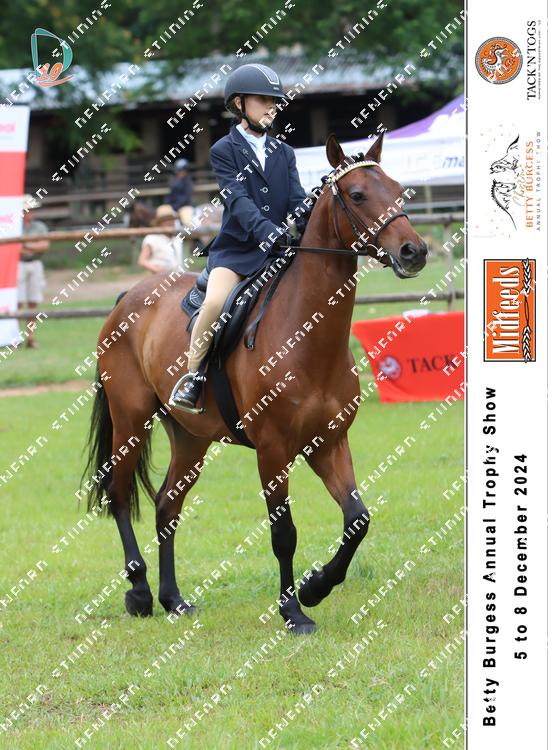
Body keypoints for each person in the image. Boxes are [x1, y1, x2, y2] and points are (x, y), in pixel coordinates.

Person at [170, 62, 310, 412]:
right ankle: (193, 377)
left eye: (274, 101)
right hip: (236, 253)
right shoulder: (224, 150)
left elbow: (295, 199)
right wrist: (267, 231)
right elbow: (238, 200)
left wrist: (309, 215)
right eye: (263, 100)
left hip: (277, 251)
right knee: (215, 303)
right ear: (239, 104)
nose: (271, 107)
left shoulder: (284, 153)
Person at [17, 194, 49, 348]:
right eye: (27, 210)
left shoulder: (39, 226)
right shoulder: (14, 226)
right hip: (19, 265)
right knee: (17, 303)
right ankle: (16, 337)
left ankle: (30, 336)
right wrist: (33, 246)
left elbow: (44, 246)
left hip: (35, 264)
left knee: (33, 302)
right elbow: (15, 249)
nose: (30, 212)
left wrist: (25, 246)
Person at [137, 204, 183, 273]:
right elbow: (142, 261)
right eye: (165, 220)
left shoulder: (177, 239)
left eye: (171, 219)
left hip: (177, 275)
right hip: (159, 277)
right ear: (159, 223)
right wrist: (156, 269)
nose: (169, 222)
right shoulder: (152, 238)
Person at [168, 158, 194, 226]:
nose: (180, 173)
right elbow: (171, 195)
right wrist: (169, 205)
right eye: (179, 171)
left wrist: (175, 207)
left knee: (187, 223)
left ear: (186, 171)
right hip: (173, 207)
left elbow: (185, 198)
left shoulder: (188, 182)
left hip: (185, 207)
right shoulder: (174, 181)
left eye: (182, 171)